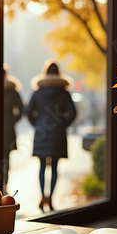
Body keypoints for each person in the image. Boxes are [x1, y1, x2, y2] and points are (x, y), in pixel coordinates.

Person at [25, 60, 77, 212]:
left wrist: (37, 123)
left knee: (41, 166)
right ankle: (51, 198)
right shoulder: (64, 92)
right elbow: (73, 113)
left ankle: (42, 196)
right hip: (58, 131)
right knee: (54, 167)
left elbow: (28, 111)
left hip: (41, 130)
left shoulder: (38, 92)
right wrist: (63, 123)